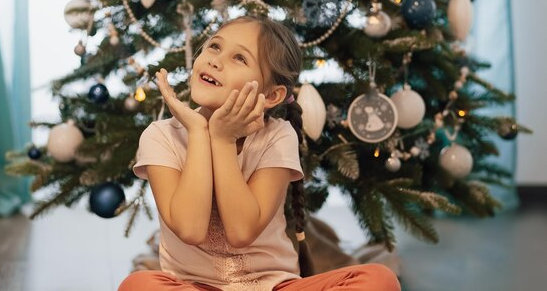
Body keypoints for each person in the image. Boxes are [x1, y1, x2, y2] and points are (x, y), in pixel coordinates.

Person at [118, 16, 401, 291]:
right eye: (214, 46)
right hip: (193, 286)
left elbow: (241, 232)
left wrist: (222, 140)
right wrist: (198, 132)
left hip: (273, 286)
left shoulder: (277, 136)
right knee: (138, 285)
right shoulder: (162, 136)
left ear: (271, 96)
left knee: (379, 279)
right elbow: (190, 229)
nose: (215, 60)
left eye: (239, 58)